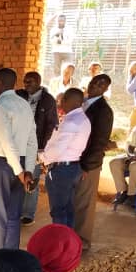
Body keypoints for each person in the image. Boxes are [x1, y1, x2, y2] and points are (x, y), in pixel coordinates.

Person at [0, 68, 37, 255]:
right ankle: (11, 262)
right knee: (13, 218)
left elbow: (6, 141)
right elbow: (32, 141)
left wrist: (19, 171)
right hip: (20, 163)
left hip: (0, 165)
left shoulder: (0, 105)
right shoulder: (24, 105)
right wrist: (27, 169)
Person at [38, 88, 91, 228]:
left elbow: (57, 150)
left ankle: (60, 244)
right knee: (68, 208)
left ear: (70, 101)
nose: (60, 102)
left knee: (58, 211)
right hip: (72, 167)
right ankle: (68, 243)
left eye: (62, 99)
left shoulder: (71, 121)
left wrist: (42, 157)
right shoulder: (82, 119)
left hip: (61, 169)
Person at [73, 74, 114, 247]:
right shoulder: (84, 102)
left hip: (88, 163)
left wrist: (86, 166)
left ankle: (82, 240)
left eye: (101, 85)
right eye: (93, 82)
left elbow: (99, 142)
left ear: (105, 89)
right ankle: (72, 237)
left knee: (84, 204)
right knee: (75, 201)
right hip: (75, 159)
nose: (95, 86)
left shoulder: (103, 110)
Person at [19, 72, 58, 225]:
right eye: (25, 81)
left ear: (38, 82)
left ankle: (28, 213)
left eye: (29, 82)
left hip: (36, 145)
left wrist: (43, 148)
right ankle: (16, 209)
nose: (26, 84)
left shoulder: (48, 101)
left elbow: (51, 125)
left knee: (32, 177)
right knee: (18, 175)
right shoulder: (20, 95)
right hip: (18, 143)